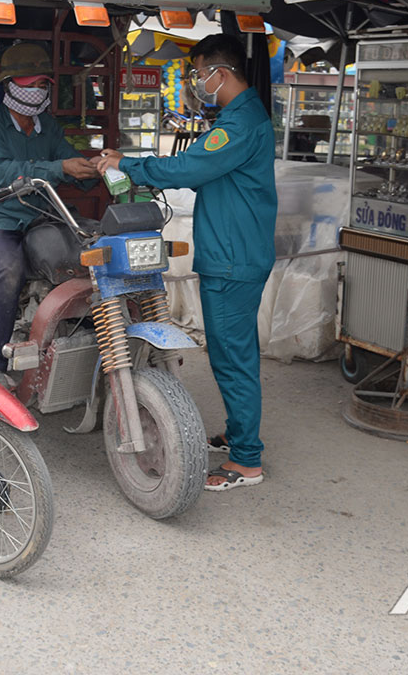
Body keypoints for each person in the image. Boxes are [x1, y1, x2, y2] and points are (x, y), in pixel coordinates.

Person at [96, 34, 276, 492]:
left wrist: (129, 165)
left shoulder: (237, 124)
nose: (197, 82)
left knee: (233, 358)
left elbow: (187, 169)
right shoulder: (240, 118)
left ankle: (246, 461)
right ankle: (239, 436)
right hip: (236, 252)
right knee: (233, 352)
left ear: (221, 73)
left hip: (234, 258)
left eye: (199, 74)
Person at [0, 42, 100, 386]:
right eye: (29, 85)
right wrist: (61, 167)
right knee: (9, 269)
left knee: (95, 251)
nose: (37, 92)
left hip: (42, 218)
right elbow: (7, 171)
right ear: (10, 86)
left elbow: (67, 160)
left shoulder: (49, 127)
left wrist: (95, 168)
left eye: (42, 86)